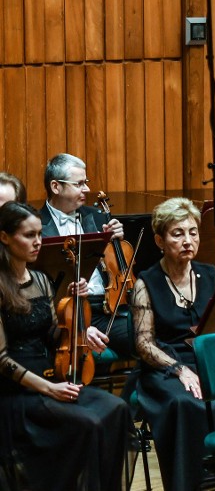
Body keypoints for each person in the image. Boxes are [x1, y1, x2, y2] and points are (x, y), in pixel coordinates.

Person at [0, 202, 131, 491]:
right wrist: (49, 389)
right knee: (87, 423)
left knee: (117, 408)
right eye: (28, 235)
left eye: (39, 234)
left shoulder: (41, 280)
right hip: (18, 391)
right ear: (5, 237)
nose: (38, 242)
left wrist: (78, 322)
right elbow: (2, 360)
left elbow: (53, 334)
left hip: (51, 376)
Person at [131, 197, 215, 491]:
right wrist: (180, 369)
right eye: (177, 233)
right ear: (159, 239)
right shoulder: (146, 283)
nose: (187, 240)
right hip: (165, 366)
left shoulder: (212, 275)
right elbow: (144, 344)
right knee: (184, 402)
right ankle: (187, 483)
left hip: (206, 360)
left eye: (193, 232)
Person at [40, 153, 134, 359]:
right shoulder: (37, 226)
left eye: (86, 182)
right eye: (79, 184)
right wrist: (80, 328)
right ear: (56, 187)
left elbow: (120, 267)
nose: (87, 189)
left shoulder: (98, 217)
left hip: (108, 308)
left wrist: (115, 239)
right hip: (67, 312)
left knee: (145, 336)